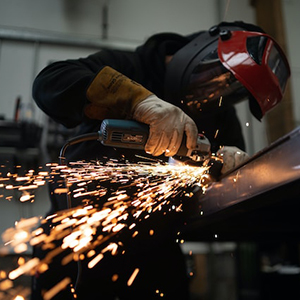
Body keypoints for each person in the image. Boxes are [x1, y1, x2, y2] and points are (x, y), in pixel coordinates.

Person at [31, 20, 290, 300]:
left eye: (233, 90)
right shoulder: (130, 66)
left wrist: (229, 167)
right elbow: (50, 81)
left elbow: (229, 174)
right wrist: (138, 101)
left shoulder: (218, 111)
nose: (217, 91)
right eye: (219, 76)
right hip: (76, 238)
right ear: (201, 49)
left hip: (154, 248)